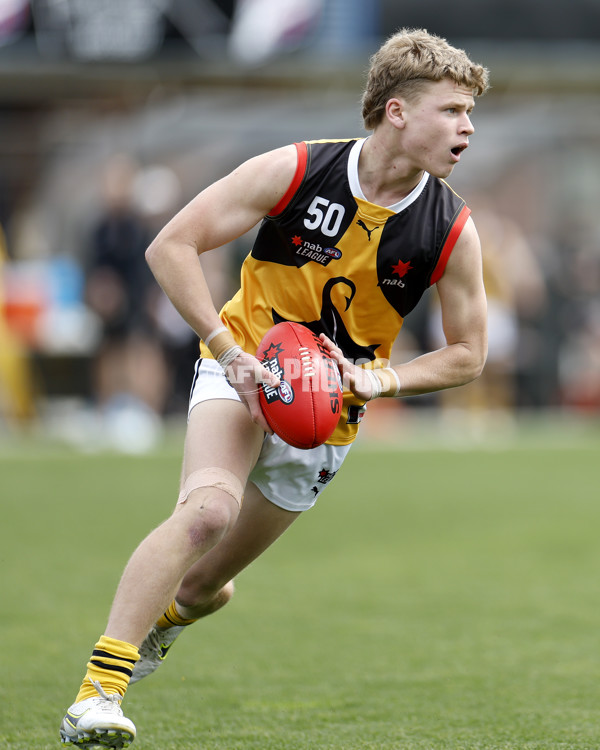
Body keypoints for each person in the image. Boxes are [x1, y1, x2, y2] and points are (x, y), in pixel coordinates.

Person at [60, 28, 489, 747]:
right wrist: (228, 350)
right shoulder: (297, 170)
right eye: (452, 110)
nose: (468, 128)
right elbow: (170, 246)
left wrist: (378, 379)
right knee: (205, 517)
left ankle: (169, 622)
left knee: (205, 587)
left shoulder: (450, 228)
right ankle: (97, 695)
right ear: (396, 112)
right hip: (246, 369)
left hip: (328, 417)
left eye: (471, 113)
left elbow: (470, 354)